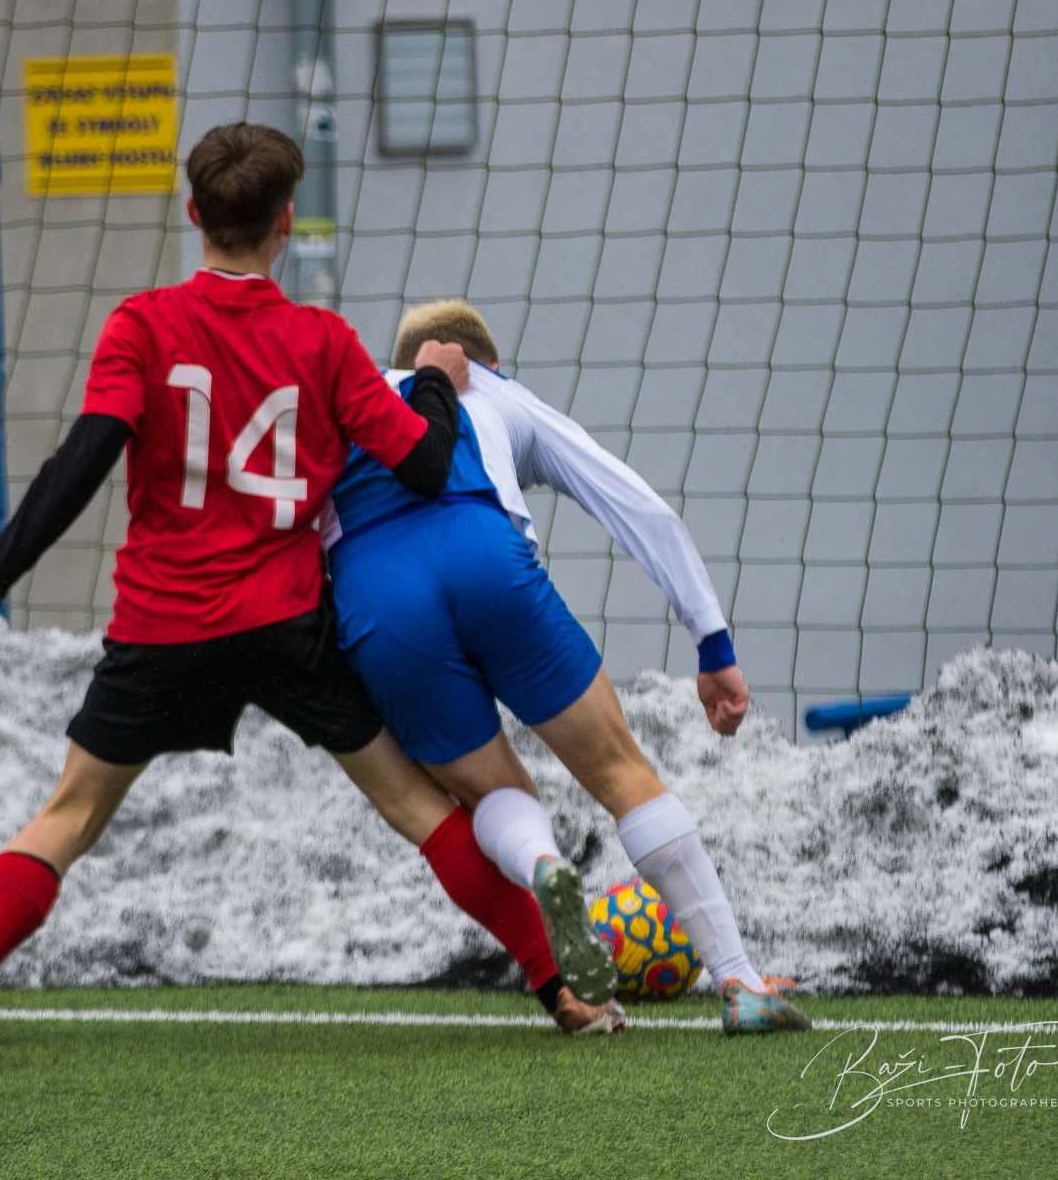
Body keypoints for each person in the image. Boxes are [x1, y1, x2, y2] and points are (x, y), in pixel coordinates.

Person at [0, 126, 623, 1048]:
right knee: (417, 808)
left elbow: (80, 463)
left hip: (163, 625)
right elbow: (425, 469)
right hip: (285, 623)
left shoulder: (141, 326)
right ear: (285, 223)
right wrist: (433, 383)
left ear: (194, 214)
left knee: (68, 816)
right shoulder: (323, 341)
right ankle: (562, 994)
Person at [321, 299, 811, 1036]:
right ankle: (740, 983)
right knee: (621, 772)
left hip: (374, 595)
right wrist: (712, 644)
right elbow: (638, 508)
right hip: (483, 552)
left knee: (495, 794)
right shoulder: (497, 393)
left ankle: (543, 863)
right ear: (484, 364)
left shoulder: (342, 400)